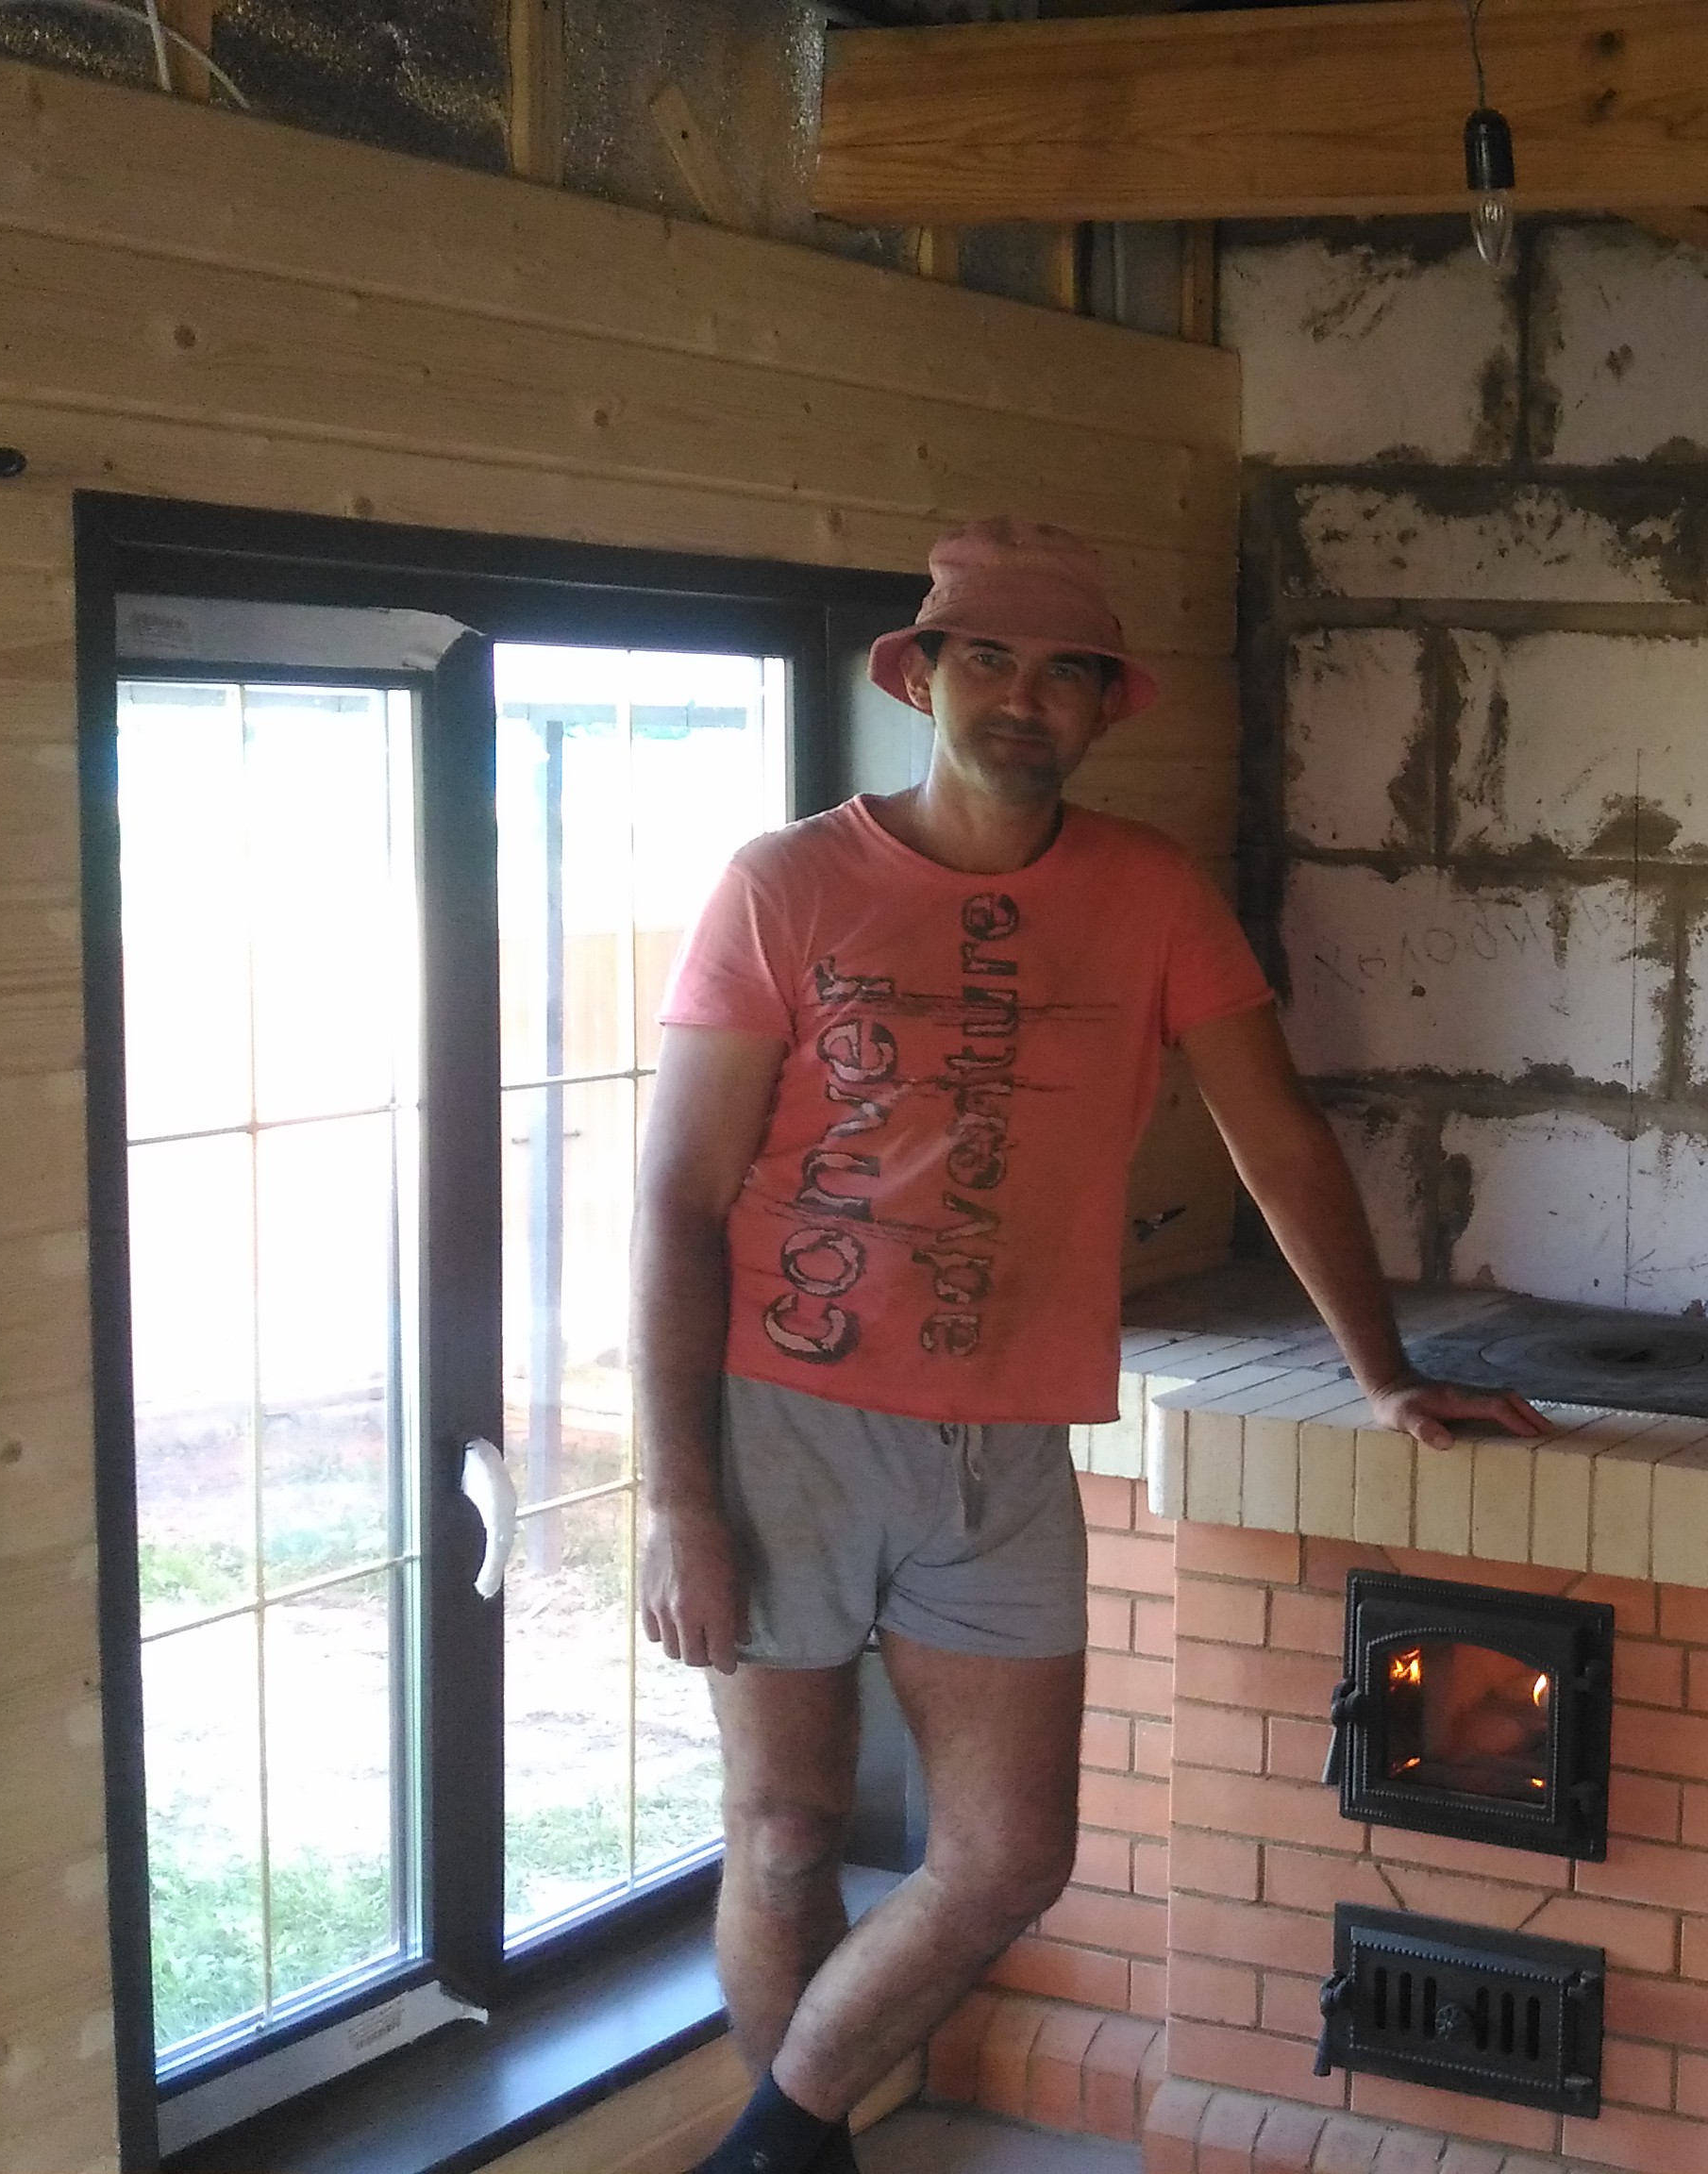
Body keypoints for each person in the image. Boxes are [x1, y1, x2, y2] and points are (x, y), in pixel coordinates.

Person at [635, 517, 1544, 2174]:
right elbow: (676, 1203)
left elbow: (1277, 1138)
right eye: (988, 659)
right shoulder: (786, 885)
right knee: (783, 1834)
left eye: (1067, 674)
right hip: (781, 1422)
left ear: (1104, 707)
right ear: (921, 677)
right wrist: (675, 1497)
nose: (1023, 699)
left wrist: (1384, 1368)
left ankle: (772, 2140)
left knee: (1007, 1857)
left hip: (1005, 1443)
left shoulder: (1150, 893)